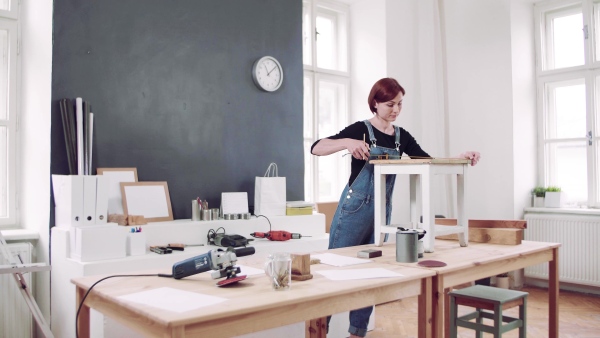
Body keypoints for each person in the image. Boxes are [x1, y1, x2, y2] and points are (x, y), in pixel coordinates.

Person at [310, 77, 480, 338]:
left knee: (368, 274)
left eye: (400, 104)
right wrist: (347, 143)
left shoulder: (402, 137)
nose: (396, 110)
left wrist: (459, 158)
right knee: (333, 269)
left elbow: (428, 162)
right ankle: (319, 331)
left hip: (381, 213)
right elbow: (316, 148)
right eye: (390, 104)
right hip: (354, 210)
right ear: (375, 103)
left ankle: (357, 334)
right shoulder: (361, 129)